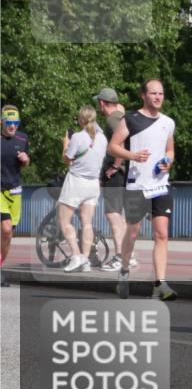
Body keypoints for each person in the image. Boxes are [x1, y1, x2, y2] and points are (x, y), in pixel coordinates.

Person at [108, 79, 177, 301]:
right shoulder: (131, 119)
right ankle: (124, 272)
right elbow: (113, 146)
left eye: (161, 94)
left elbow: (170, 150)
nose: (158, 97)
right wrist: (132, 156)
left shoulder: (168, 122)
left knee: (162, 234)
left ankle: (160, 284)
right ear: (143, 96)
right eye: (153, 93)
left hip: (160, 185)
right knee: (134, 232)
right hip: (137, 185)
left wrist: (168, 161)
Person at [58, 106, 108, 272]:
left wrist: (65, 145)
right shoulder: (103, 138)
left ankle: (76, 255)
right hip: (93, 184)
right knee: (87, 223)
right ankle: (85, 260)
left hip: (76, 181)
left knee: (64, 221)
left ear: (80, 120)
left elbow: (67, 159)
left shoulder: (78, 137)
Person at [93, 88, 132, 273]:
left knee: (113, 214)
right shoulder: (120, 115)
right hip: (126, 173)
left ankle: (120, 256)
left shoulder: (111, 120)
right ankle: (127, 255)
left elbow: (120, 142)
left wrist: (116, 165)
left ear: (102, 103)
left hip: (116, 173)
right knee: (118, 215)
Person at [1, 105, 29, 286]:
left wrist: (26, 160)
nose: (12, 126)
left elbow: (26, 164)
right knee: (6, 228)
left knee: (9, 235)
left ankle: (0, 267)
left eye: (15, 122)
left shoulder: (23, 138)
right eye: (9, 122)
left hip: (15, 192)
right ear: (2, 122)